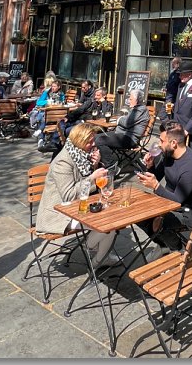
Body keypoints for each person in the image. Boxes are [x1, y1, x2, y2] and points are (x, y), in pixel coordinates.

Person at [35, 122, 118, 268]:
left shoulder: (82, 155)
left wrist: (95, 165)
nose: (93, 144)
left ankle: (97, 257)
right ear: (79, 141)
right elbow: (69, 195)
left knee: (113, 219)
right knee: (108, 224)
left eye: (93, 140)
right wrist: (92, 177)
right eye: (89, 141)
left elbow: (87, 186)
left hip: (79, 207)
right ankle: (92, 251)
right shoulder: (63, 162)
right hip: (58, 213)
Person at [137, 120, 192, 258]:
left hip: (191, 212)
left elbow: (178, 200)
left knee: (158, 221)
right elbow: (157, 177)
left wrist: (155, 186)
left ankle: (177, 248)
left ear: (173, 143)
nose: (159, 144)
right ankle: (164, 244)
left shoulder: (191, 166)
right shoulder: (169, 155)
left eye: (162, 141)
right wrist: (150, 167)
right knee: (137, 214)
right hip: (168, 203)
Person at [94, 89, 150, 169]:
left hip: (129, 138)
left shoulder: (140, 110)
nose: (129, 101)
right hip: (121, 134)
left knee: (100, 140)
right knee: (95, 137)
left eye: (131, 99)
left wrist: (119, 119)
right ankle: (99, 161)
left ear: (137, 100)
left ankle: (111, 166)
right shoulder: (136, 109)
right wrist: (122, 118)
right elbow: (127, 121)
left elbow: (126, 123)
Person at [171, 59, 192, 153]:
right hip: (177, 126)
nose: (180, 77)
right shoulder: (180, 86)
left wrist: (187, 129)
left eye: (181, 74)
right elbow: (180, 104)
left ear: (189, 74)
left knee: (191, 153)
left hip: (190, 128)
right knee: (176, 151)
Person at [30, 80, 65, 148]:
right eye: (52, 86)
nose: (53, 88)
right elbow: (38, 102)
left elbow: (63, 102)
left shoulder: (61, 94)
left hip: (56, 113)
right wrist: (47, 101)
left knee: (44, 117)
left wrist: (60, 103)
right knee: (43, 116)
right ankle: (41, 139)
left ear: (59, 87)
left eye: (54, 86)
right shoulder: (47, 92)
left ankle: (40, 132)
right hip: (46, 112)